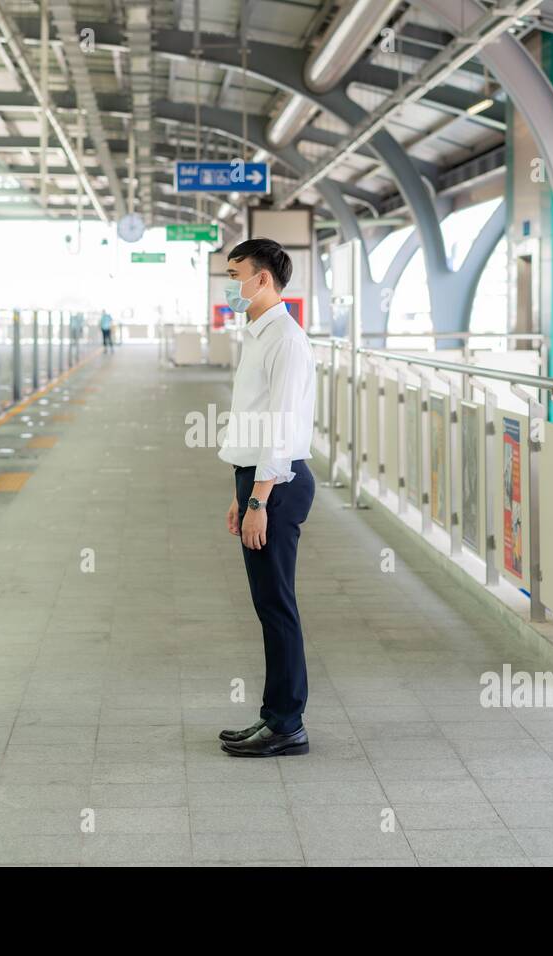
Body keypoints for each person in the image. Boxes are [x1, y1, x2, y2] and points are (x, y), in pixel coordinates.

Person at [216, 238, 316, 758]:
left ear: (263, 280)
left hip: (276, 483)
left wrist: (258, 499)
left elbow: (281, 428)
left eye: (235, 275)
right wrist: (242, 493)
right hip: (257, 479)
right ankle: (272, 715)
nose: (230, 285)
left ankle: (286, 723)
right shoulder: (259, 333)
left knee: (277, 606)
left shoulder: (286, 339)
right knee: (268, 604)